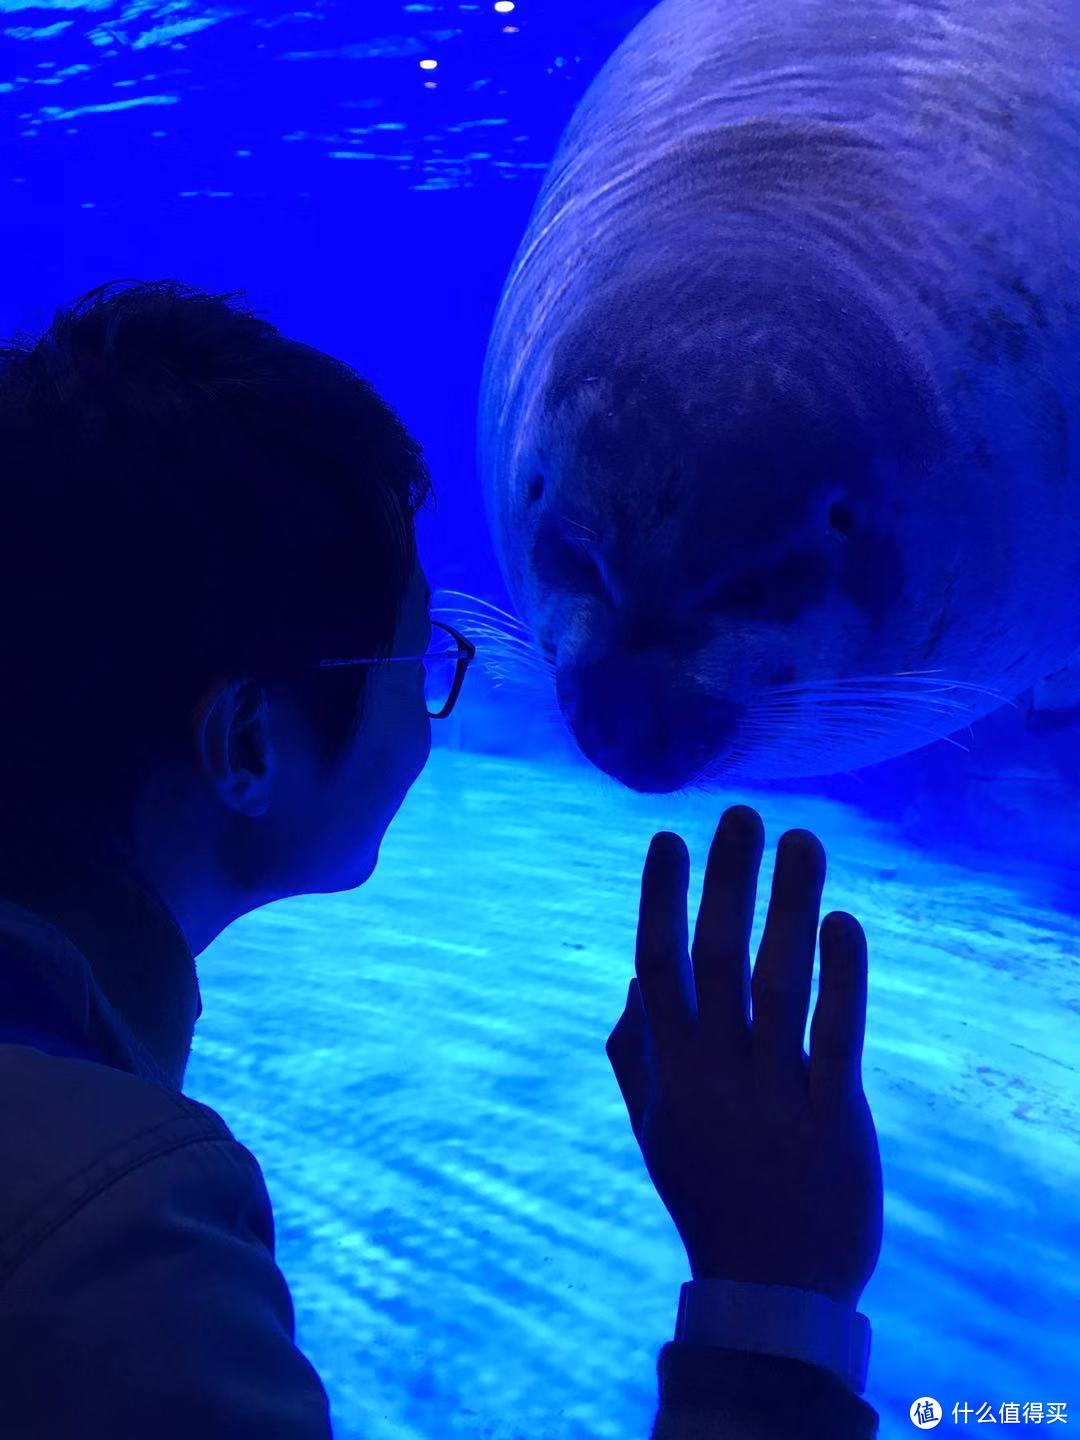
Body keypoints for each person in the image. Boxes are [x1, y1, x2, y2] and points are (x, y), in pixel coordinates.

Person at [0, 280, 882, 1438]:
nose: (430, 718)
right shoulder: (114, 1245)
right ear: (250, 746)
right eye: (414, 666)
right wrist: (773, 1298)